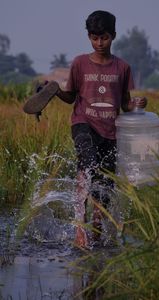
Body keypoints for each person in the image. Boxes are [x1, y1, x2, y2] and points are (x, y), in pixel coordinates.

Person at [24, 10, 147, 249]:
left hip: (110, 131)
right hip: (83, 123)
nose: (99, 43)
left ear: (114, 36)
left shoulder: (122, 68)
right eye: (94, 37)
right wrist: (57, 91)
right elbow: (71, 98)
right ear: (89, 37)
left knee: (104, 184)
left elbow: (124, 103)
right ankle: (80, 230)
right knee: (87, 165)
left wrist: (139, 104)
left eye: (104, 38)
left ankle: (97, 228)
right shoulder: (80, 63)